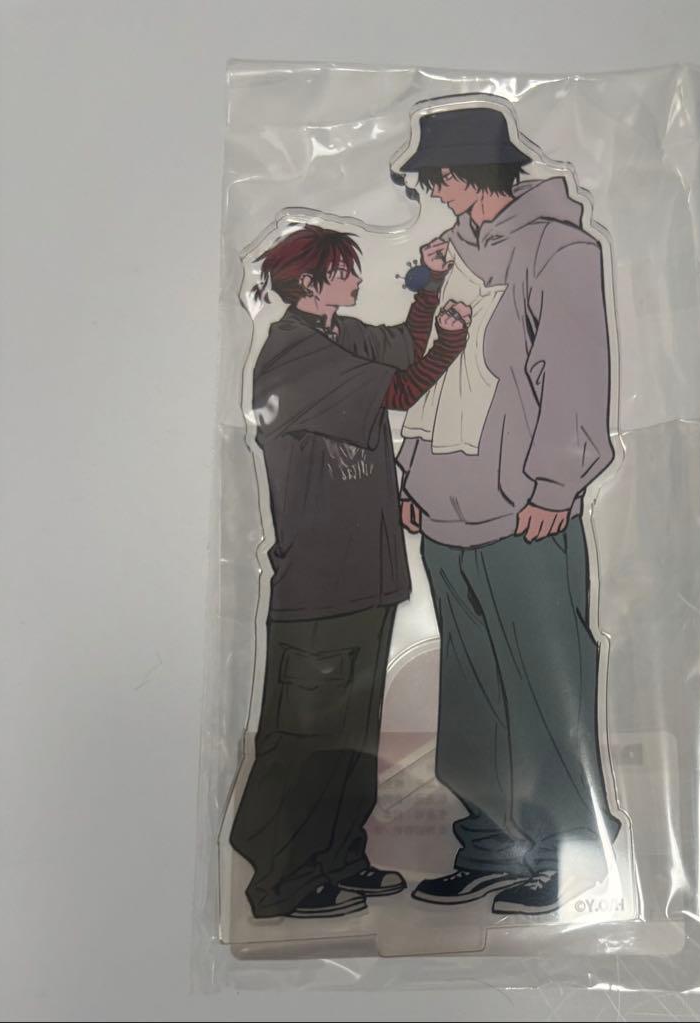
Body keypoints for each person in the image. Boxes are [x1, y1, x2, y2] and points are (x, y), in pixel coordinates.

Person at [395, 104, 621, 915]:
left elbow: (575, 374)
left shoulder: (561, 250)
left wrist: (556, 485)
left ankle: (570, 850)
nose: (433, 191)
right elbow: (436, 374)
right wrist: (411, 477)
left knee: (544, 687)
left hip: (524, 511)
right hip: (445, 507)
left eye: (439, 177)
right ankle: (493, 846)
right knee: (473, 693)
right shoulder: (450, 252)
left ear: (469, 173)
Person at [230, 224, 471, 919]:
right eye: (344, 272)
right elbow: (402, 382)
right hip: (319, 583)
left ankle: (337, 856)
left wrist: (430, 292)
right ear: (310, 283)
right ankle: (280, 881)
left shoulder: (338, 334)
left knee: (353, 731)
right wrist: (444, 339)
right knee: (306, 737)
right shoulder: (294, 354)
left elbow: (398, 355)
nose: (358, 280)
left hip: (366, 573)